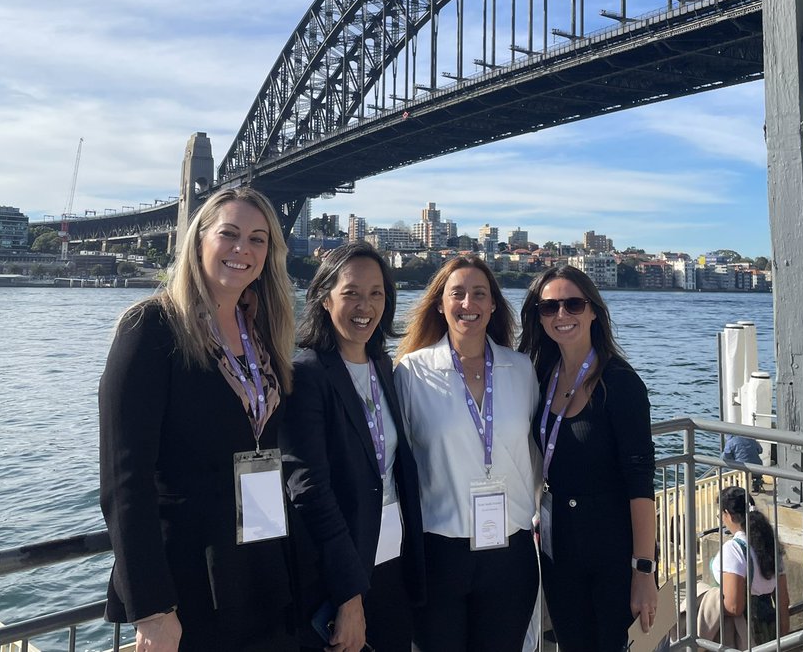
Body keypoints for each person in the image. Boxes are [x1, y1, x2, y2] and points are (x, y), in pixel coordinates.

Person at [99, 187, 298, 652]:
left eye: (258, 239)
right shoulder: (151, 327)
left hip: (261, 566)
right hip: (188, 579)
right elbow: (123, 478)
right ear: (198, 240)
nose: (242, 250)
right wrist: (150, 607)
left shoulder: (262, 330)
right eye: (228, 234)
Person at [281, 242, 425, 652]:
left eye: (376, 293)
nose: (365, 305)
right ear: (326, 299)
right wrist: (348, 595)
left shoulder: (383, 364)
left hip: (392, 561)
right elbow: (309, 489)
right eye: (351, 293)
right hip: (343, 570)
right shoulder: (306, 374)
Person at [394, 255, 540, 652]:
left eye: (480, 294)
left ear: (493, 304)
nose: (468, 304)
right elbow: (398, 463)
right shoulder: (411, 372)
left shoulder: (522, 369)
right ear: (440, 303)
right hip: (439, 550)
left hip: (510, 550)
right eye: (457, 293)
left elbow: (534, 449)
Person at [518, 265, 658, 652]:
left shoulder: (621, 383)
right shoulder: (541, 373)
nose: (561, 315)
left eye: (573, 304)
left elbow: (640, 481)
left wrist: (643, 570)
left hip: (612, 552)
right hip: (558, 547)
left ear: (593, 310)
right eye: (549, 308)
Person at [697, 486, 790, 648]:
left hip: (742, 632)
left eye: (720, 516)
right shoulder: (770, 545)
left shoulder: (733, 549)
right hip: (769, 627)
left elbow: (735, 606)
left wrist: (706, 600)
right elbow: (783, 600)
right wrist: (783, 634)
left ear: (728, 515)